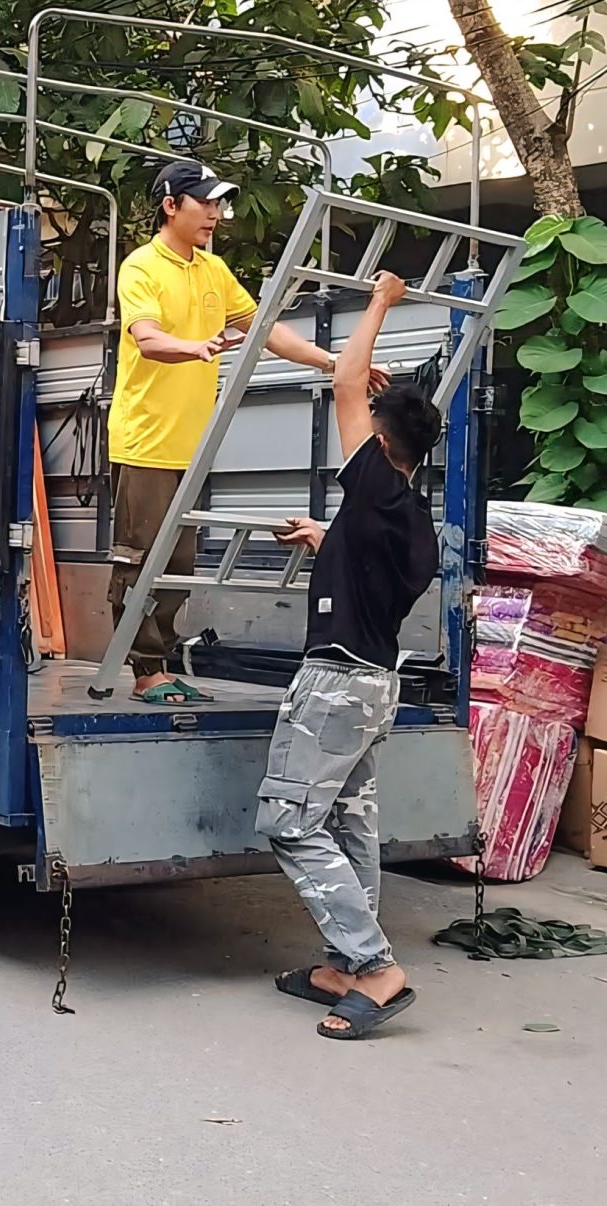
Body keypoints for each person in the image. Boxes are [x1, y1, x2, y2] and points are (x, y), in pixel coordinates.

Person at [108, 160, 379, 704]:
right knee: (143, 557)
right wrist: (196, 347)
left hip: (192, 442)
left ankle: (155, 663)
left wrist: (333, 363)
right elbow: (147, 337)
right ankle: (144, 670)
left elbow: (263, 329)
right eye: (204, 202)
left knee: (180, 563)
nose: (215, 213)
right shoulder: (141, 267)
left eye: (218, 203)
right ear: (171, 205)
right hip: (146, 440)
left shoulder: (211, 269)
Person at [260, 269, 441, 1040]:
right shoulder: (408, 517)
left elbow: (342, 379)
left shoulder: (372, 485)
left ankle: (373, 966)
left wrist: (380, 303)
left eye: (369, 417)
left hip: (335, 686)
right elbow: (370, 567)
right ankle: (342, 961)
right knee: (349, 824)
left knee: (292, 824)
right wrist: (324, 540)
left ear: (382, 438)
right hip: (373, 686)